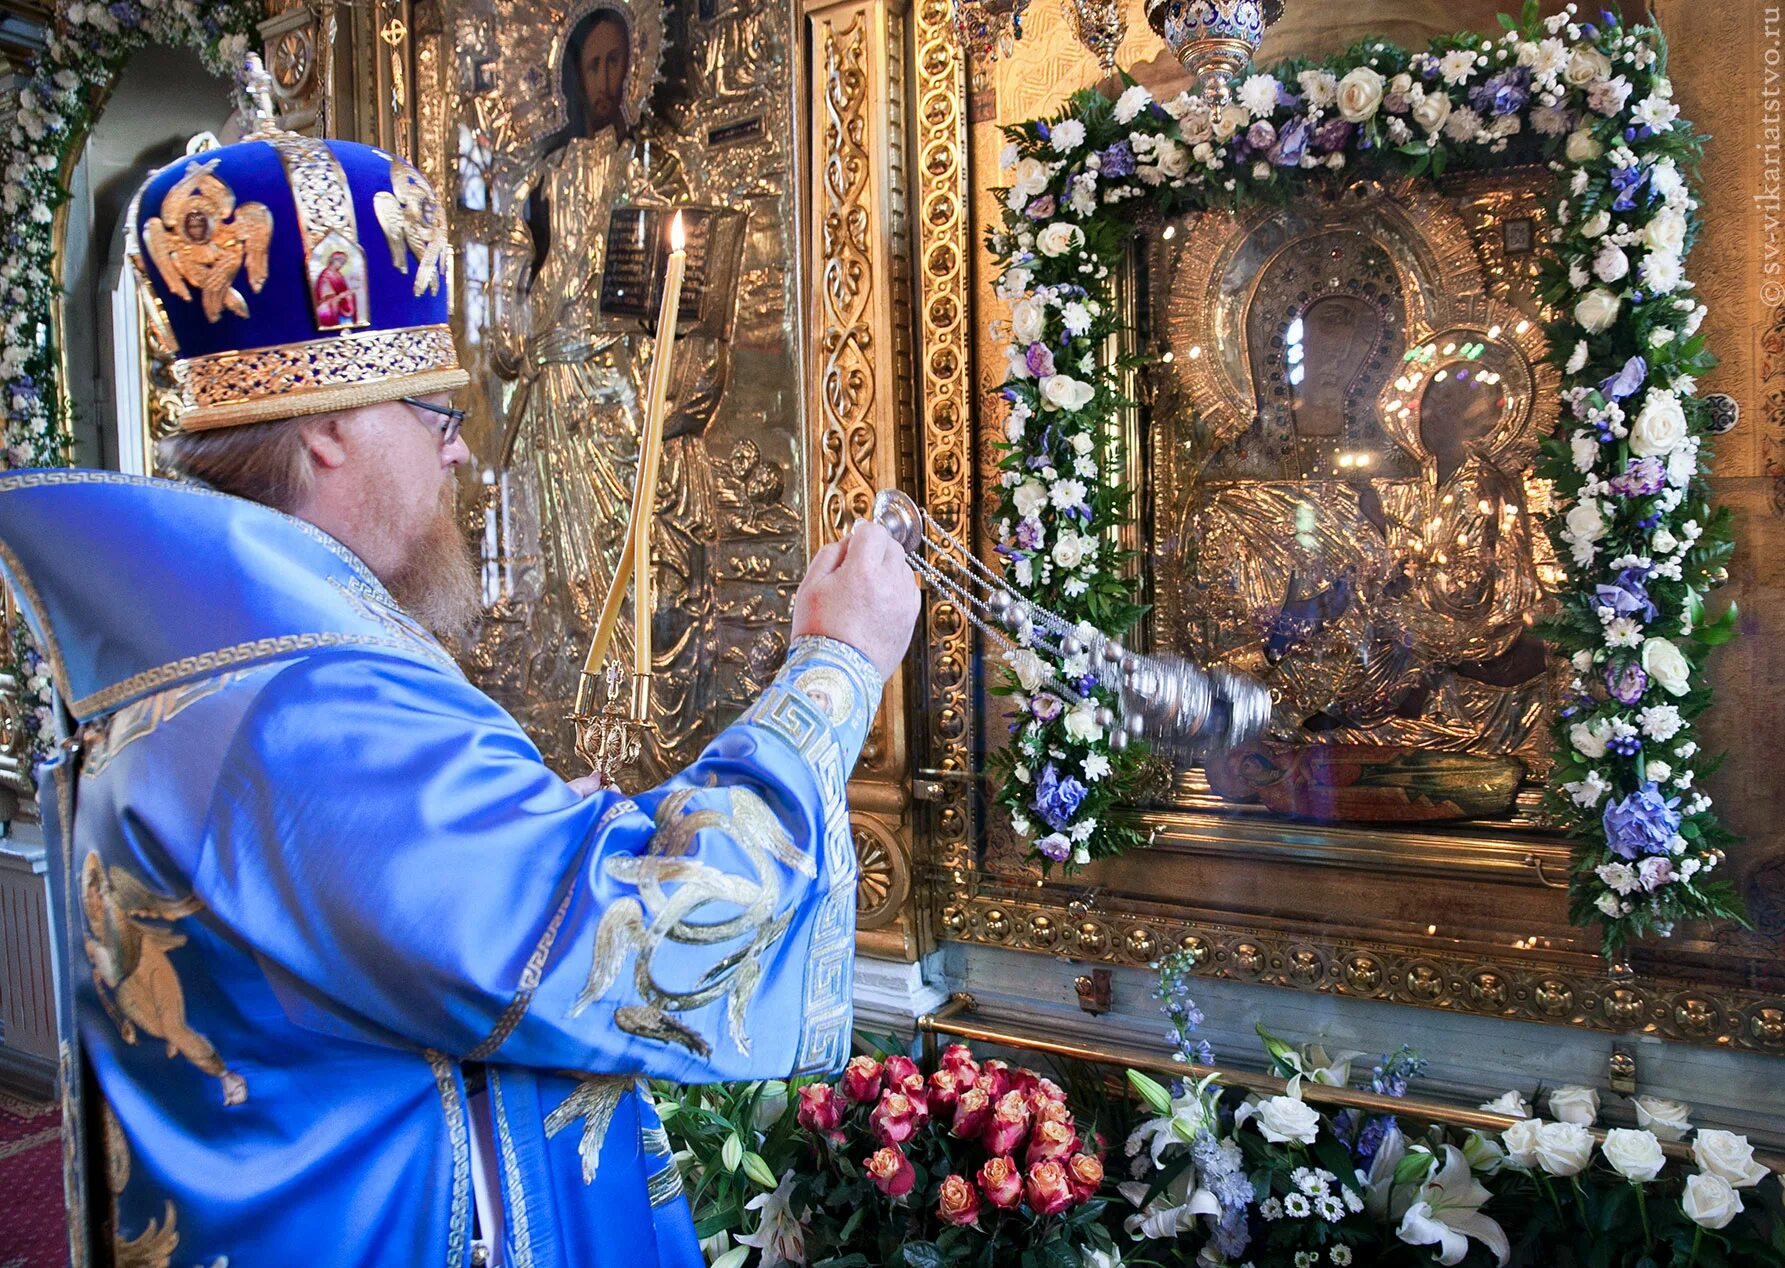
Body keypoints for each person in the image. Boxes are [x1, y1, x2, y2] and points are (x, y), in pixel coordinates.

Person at [0, 81, 919, 1268]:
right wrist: (838, 665)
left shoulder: (210, 658)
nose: (459, 452)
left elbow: (408, 926)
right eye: (434, 413)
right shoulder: (311, 706)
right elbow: (651, 949)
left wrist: (533, 836)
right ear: (327, 426)